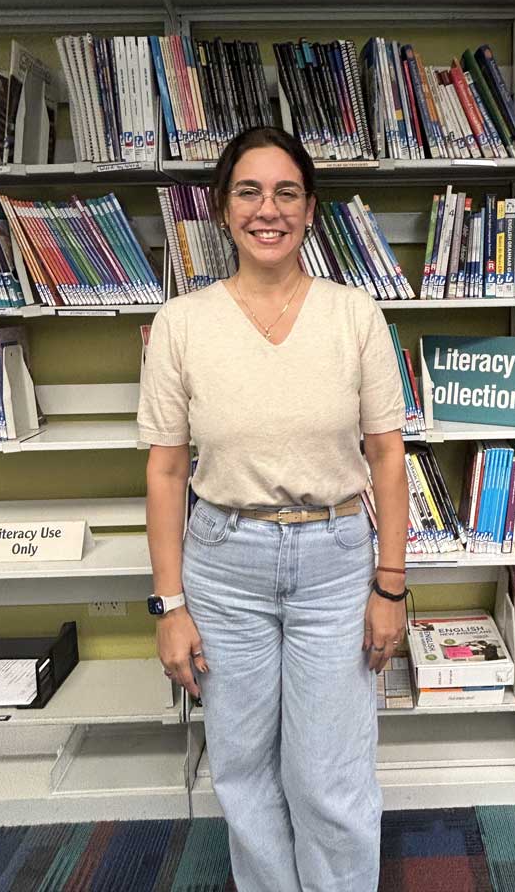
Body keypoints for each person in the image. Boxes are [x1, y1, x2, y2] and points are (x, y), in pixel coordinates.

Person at [137, 125, 409, 892]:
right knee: (245, 771)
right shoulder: (182, 326)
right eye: (249, 192)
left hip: (336, 562)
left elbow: (387, 457)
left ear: (310, 209)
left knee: (330, 775)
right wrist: (170, 606)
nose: (268, 209)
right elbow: (166, 471)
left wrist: (390, 587)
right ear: (223, 210)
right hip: (223, 567)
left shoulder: (355, 316)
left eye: (286, 192)